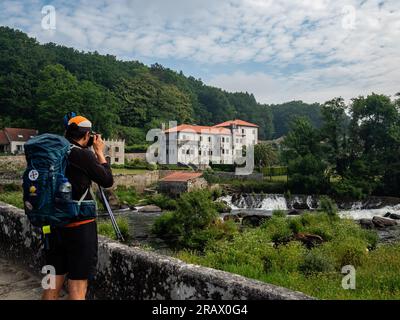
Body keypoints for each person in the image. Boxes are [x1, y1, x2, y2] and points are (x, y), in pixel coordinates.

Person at [42, 115, 113, 300]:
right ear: (87, 134)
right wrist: (99, 153)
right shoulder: (81, 154)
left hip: (52, 226)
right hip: (79, 227)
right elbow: (107, 180)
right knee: (77, 287)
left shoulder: (52, 152)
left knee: (51, 281)